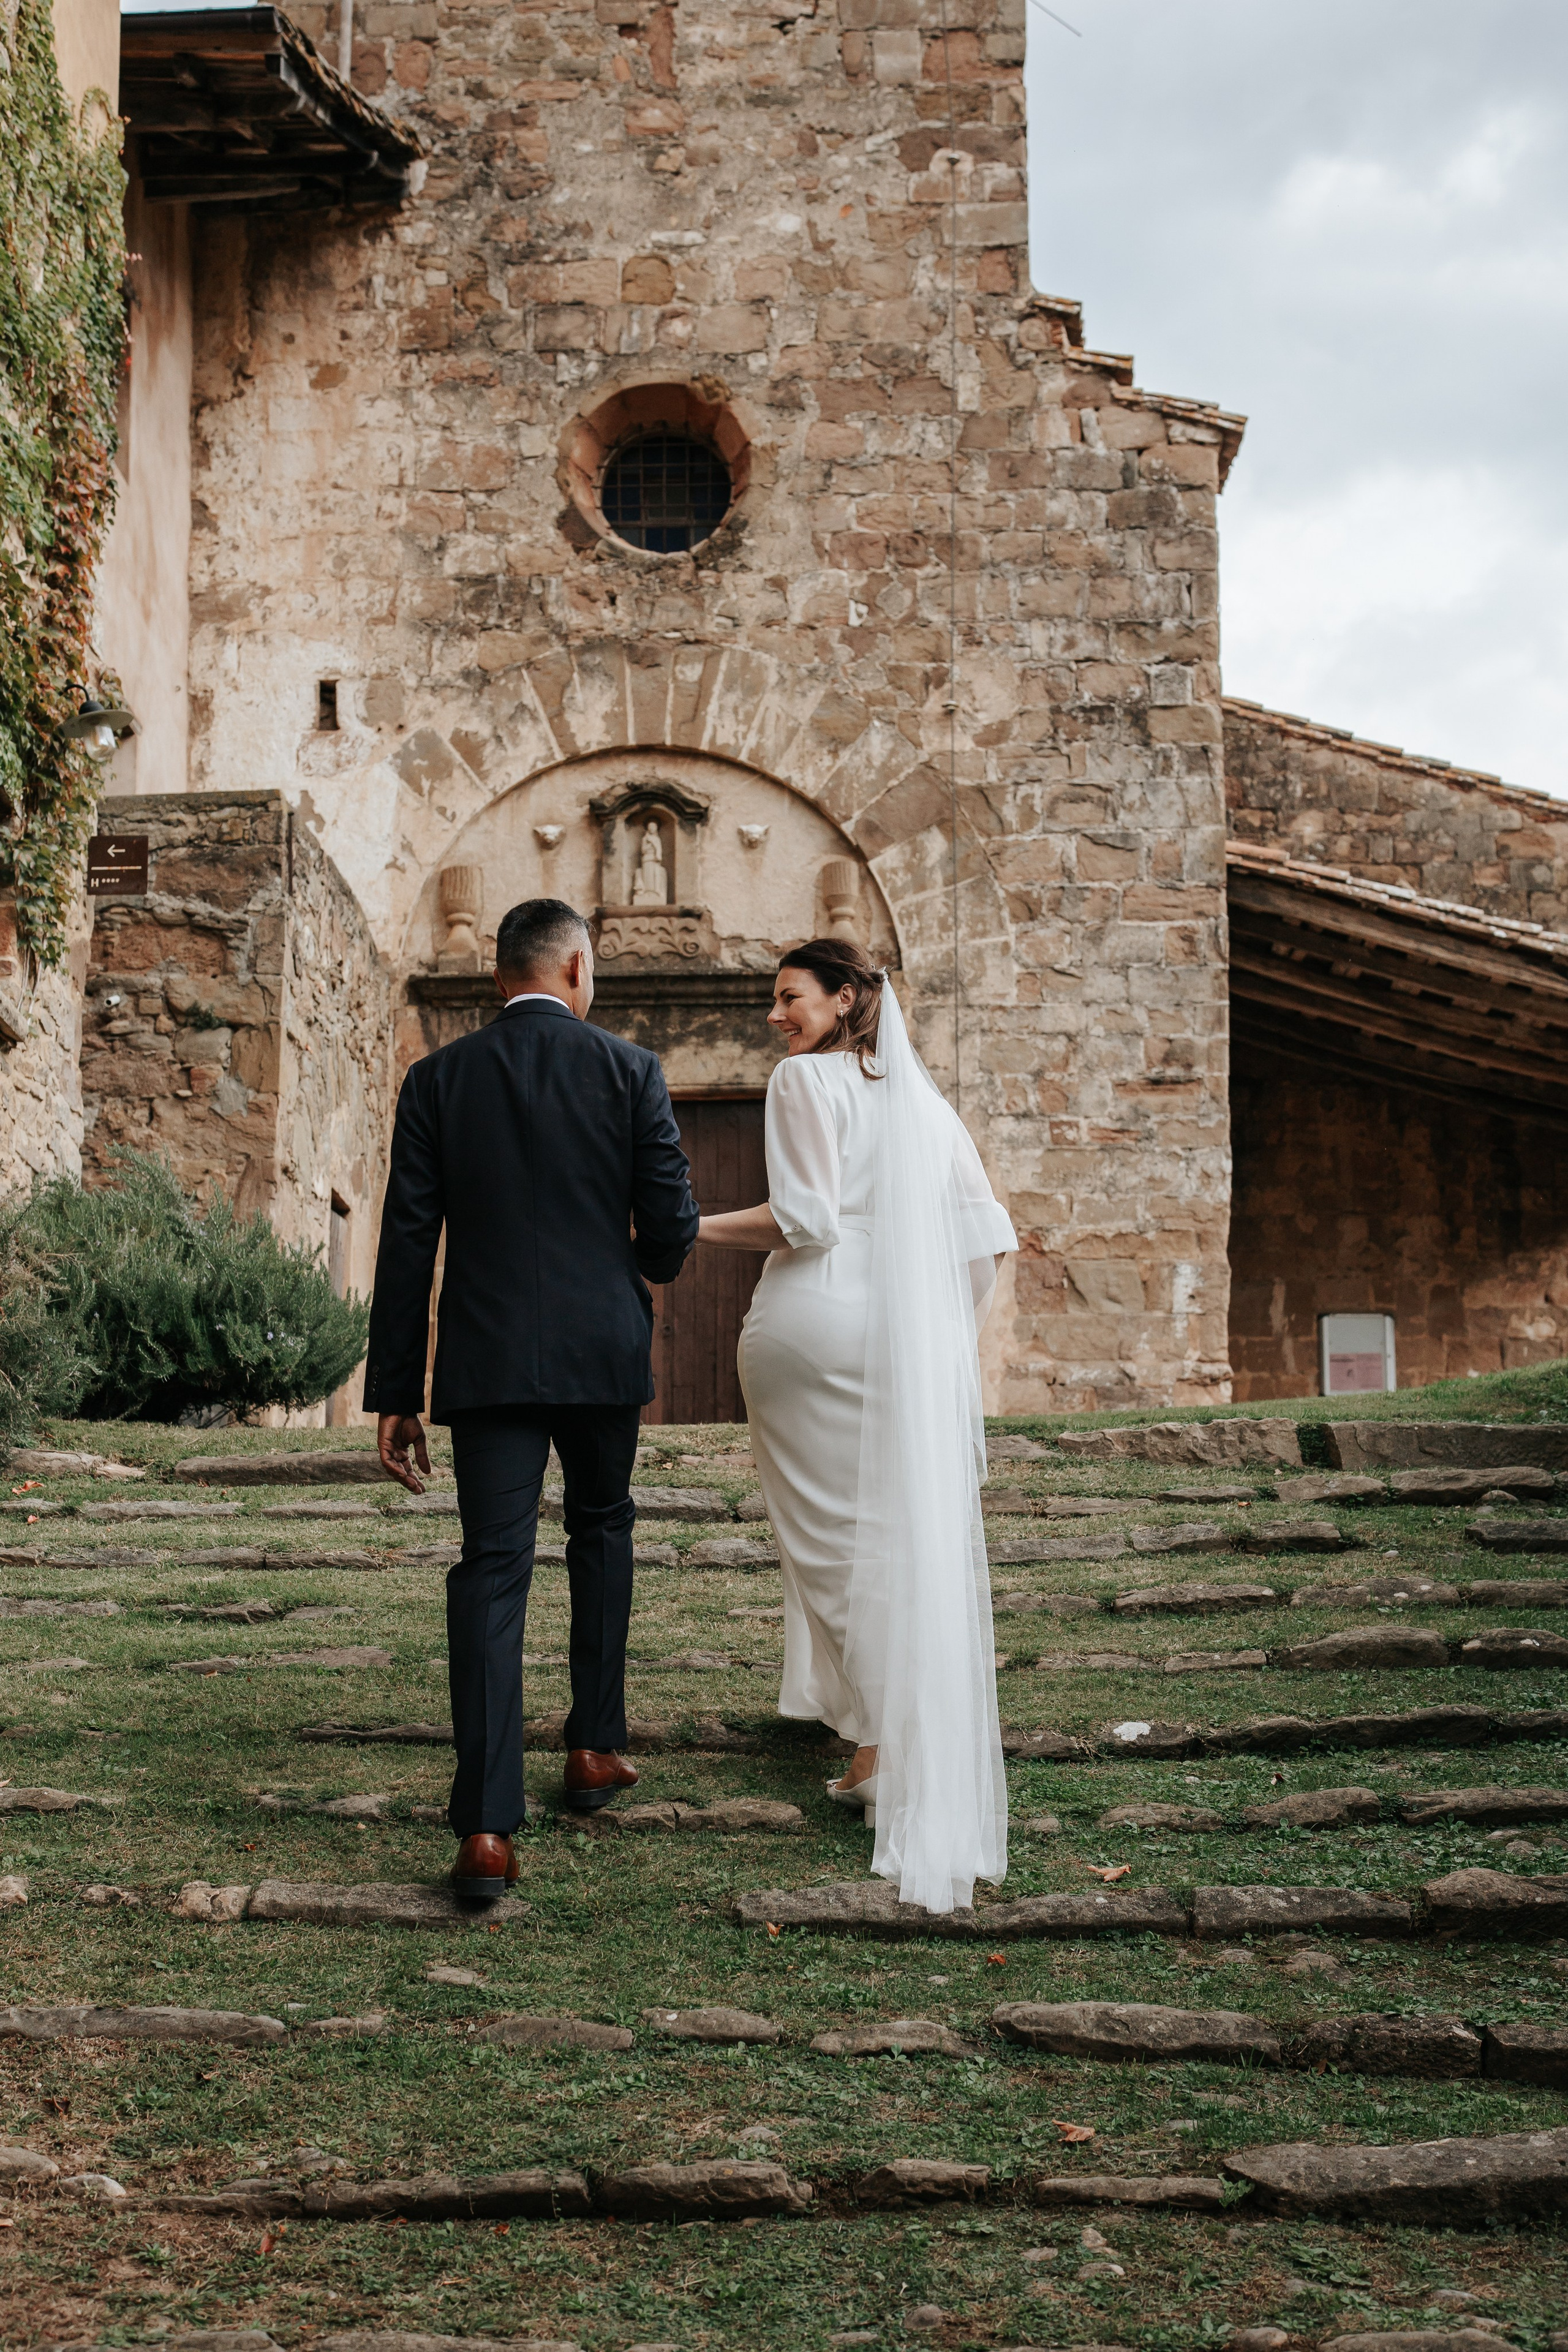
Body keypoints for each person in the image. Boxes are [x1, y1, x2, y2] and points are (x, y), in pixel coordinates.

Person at [362, 897, 699, 1901]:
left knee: (491, 1571)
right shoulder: (633, 1070)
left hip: (489, 1362)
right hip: (603, 1352)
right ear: (579, 970)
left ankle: (486, 1832)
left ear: (498, 977)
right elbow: (673, 1225)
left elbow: (407, 1243)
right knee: (602, 1529)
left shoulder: (437, 1081)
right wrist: (626, 1264)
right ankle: (594, 1749)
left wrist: (395, 1391)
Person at [697, 939, 1017, 1915]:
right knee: (880, 1532)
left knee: (828, 1543)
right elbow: (986, 1239)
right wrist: (936, 1340)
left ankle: (886, 1741)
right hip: (894, 1342)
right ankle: (857, 1724)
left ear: (844, 1000)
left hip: (811, 1326)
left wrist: (686, 1228)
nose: (775, 1017)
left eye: (789, 998)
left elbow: (807, 1221)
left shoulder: (804, 1083)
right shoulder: (924, 1104)